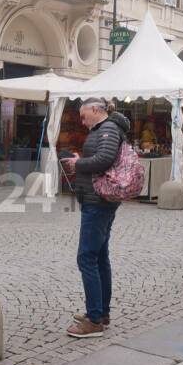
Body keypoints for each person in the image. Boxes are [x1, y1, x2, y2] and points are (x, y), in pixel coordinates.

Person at [60, 99, 129, 338]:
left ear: (94, 110)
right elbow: (101, 159)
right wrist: (81, 161)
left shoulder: (108, 128)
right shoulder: (105, 129)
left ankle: (94, 320)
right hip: (99, 200)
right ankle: (101, 311)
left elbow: (104, 160)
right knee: (99, 257)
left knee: (87, 258)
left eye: (83, 115)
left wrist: (79, 163)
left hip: (97, 202)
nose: (82, 121)